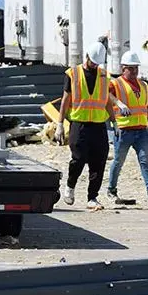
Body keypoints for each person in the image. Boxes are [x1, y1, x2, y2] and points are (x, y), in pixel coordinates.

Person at [56, 47, 111, 212]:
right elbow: (66, 100)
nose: (94, 65)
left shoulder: (104, 75)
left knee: (99, 161)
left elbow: (107, 99)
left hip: (99, 125)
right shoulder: (72, 74)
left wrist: (114, 122)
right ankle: (70, 186)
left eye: (97, 63)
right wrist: (59, 123)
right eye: (92, 62)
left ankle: (92, 197)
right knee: (78, 158)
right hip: (79, 124)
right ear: (87, 56)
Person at [107, 51, 148, 206]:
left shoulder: (144, 85)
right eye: (130, 68)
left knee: (145, 160)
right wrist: (118, 103)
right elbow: (107, 95)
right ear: (122, 68)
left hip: (142, 130)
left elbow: (147, 106)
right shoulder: (116, 84)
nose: (133, 72)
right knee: (118, 161)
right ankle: (111, 190)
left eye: (135, 68)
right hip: (124, 129)